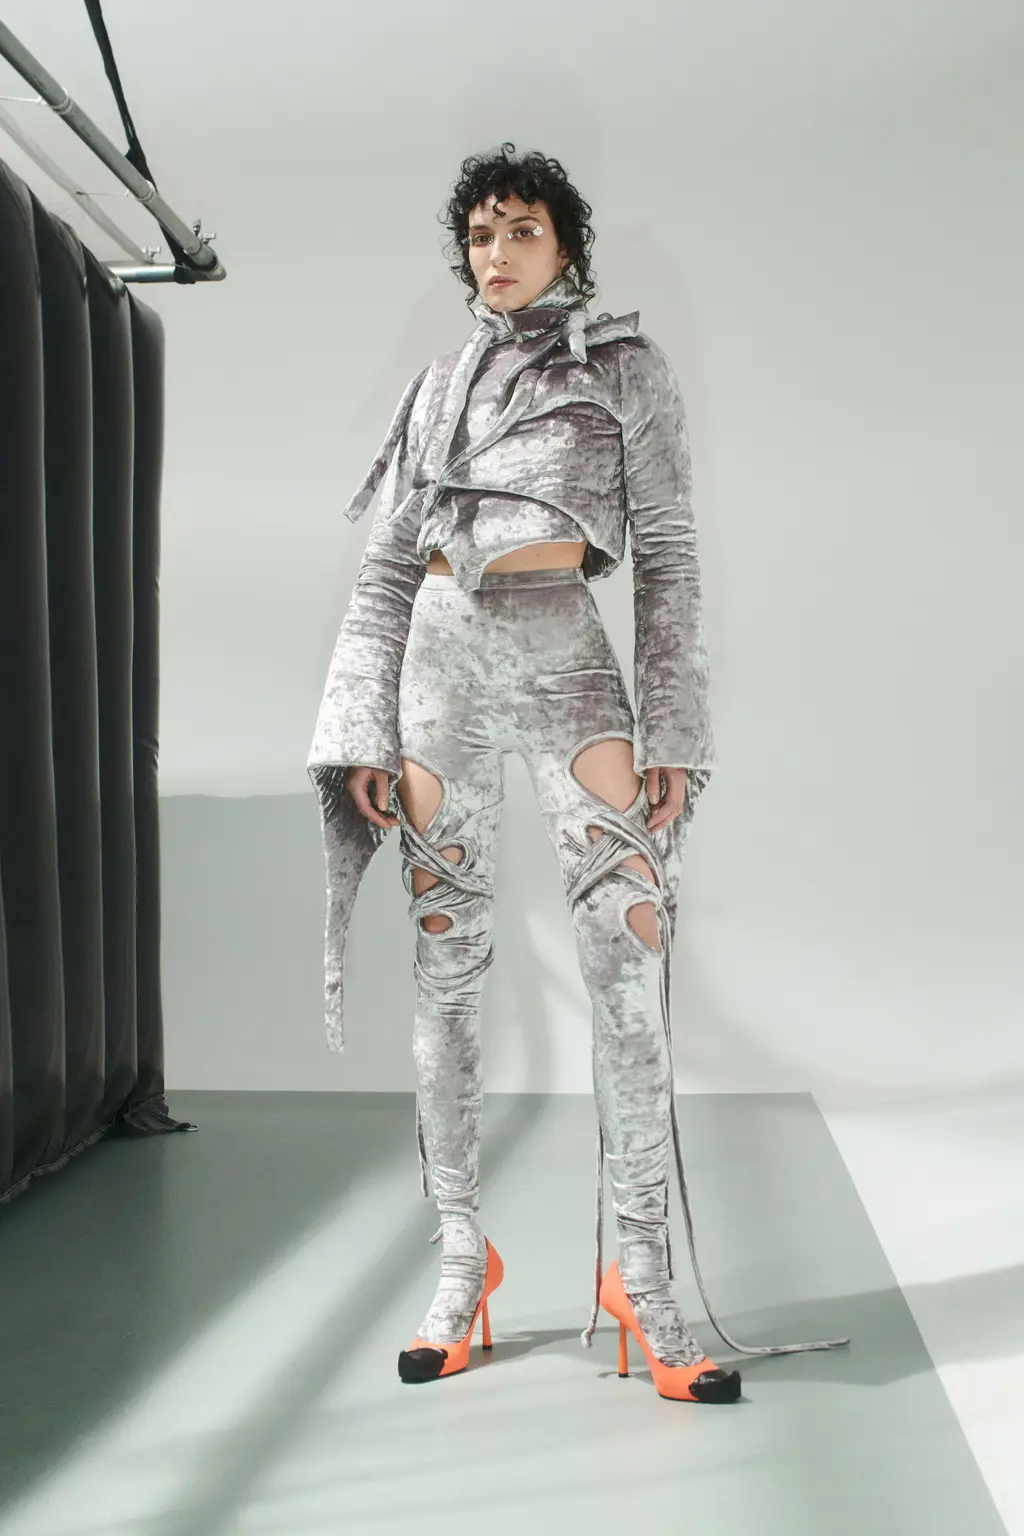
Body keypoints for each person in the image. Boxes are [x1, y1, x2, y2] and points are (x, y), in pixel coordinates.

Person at [307, 142, 850, 1403]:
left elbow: (667, 551)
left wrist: (675, 731)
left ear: (566, 246)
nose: (496, 254)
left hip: (565, 657)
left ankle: (642, 1275)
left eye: (522, 230)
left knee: (628, 960)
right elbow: (386, 568)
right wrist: (361, 727)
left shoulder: (624, 370)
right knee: (446, 965)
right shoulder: (437, 386)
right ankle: (461, 1262)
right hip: (438, 669)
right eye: (480, 235)